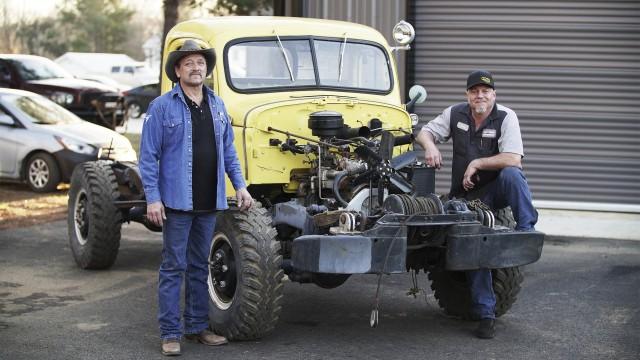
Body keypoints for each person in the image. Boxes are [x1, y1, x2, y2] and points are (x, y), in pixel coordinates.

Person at [139, 39, 254, 356]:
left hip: (209, 201)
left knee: (199, 266)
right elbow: (148, 157)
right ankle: (170, 333)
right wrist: (153, 198)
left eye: (200, 62)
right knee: (173, 267)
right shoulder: (161, 107)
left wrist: (240, 186)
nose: (196, 67)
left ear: (207, 69)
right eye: (188, 62)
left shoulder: (218, 105)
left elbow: (229, 151)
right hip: (176, 203)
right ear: (177, 70)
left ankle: (197, 327)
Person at [415, 70, 537, 339]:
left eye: (485, 91)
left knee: (513, 174)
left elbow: (513, 158)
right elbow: (424, 131)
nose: (479, 95)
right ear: (467, 95)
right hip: (466, 198)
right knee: (474, 243)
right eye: (474, 91)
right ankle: (485, 314)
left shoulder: (506, 117)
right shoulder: (455, 114)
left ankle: (526, 230)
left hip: (494, 191)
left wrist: (477, 163)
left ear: (493, 94)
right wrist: (430, 147)